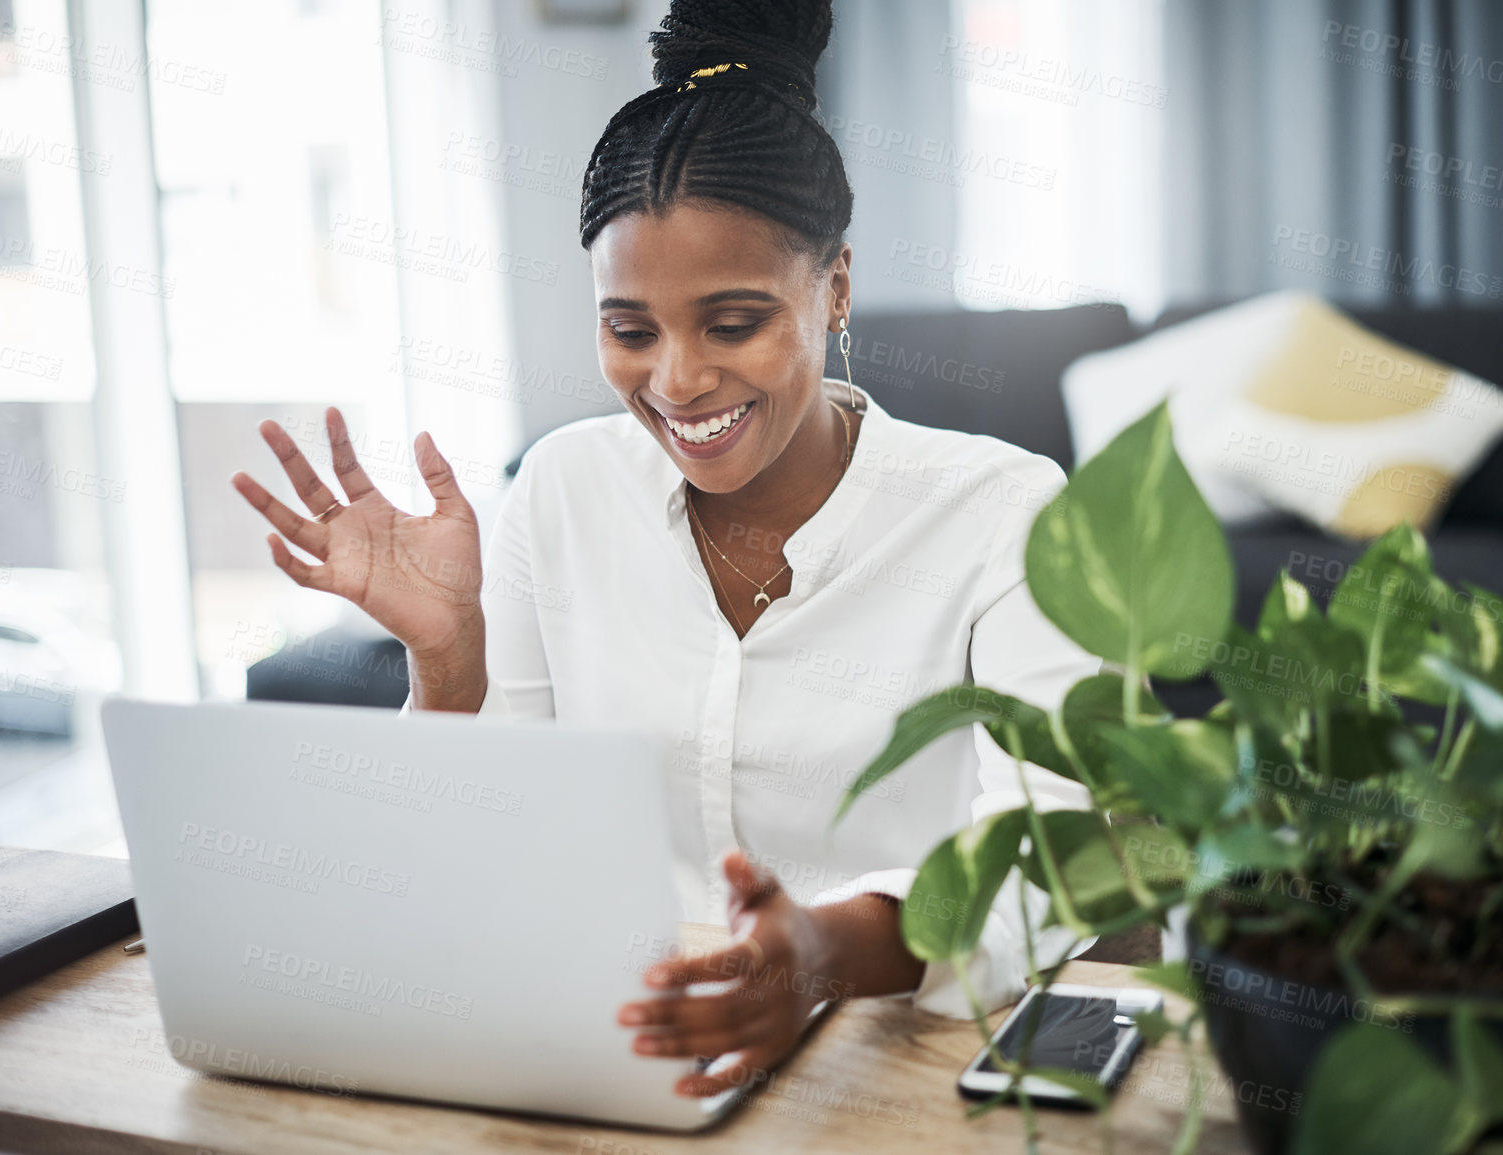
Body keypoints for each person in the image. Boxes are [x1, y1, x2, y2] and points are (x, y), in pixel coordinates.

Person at [232, 0, 1099, 1099]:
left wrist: (820, 956)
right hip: (616, 1049)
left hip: (898, 1061)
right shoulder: (560, 488)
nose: (677, 381)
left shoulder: (1007, 513)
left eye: (733, 323)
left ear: (833, 289)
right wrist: (453, 663)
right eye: (629, 329)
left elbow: (1054, 854)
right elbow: (485, 854)